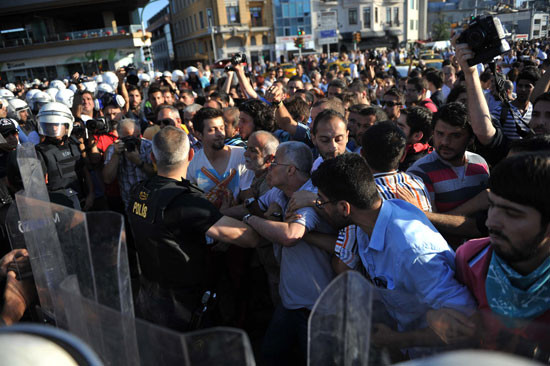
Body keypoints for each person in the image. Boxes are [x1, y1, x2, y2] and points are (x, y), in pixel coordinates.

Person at [311, 153, 475, 350]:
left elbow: (466, 320)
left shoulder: (412, 253)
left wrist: (397, 340)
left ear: (344, 207)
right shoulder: (368, 225)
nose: (320, 208)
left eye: (322, 202)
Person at [127, 126, 259, 331]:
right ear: (191, 154)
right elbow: (248, 237)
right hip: (182, 305)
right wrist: (249, 213)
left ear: (152, 157)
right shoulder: (185, 202)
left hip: (148, 297)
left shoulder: (139, 191)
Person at [427, 153, 550, 349]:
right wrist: (439, 318)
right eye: (492, 206)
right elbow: (463, 320)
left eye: (512, 214)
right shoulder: (471, 258)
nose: (491, 222)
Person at [407, 103, 489, 213]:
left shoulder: (480, 164)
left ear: (471, 138)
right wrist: (473, 205)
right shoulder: (419, 173)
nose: (445, 142)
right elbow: (429, 225)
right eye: (440, 134)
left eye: (455, 136)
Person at [187, 108, 253, 208]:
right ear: (198, 134)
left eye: (222, 128)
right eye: (212, 130)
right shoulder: (194, 164)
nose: (220, 134)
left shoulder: (241, 156)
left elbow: (249, 200)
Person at [33, 102, 94, 210]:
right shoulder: (40, 151)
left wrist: (90, 194)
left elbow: (85, 171)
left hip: (80, 200)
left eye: (57, 125)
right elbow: (38, 187)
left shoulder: (74, 145)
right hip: (56, 206)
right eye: (50, 125)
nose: (54, 129)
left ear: (67, 125)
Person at [103, 119, 155, 209]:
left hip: (152, 201)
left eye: (137, 137)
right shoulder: (114, 149)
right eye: (129, 138)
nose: (134, 141)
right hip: (130, 204)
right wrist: (116, 155)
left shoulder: (149, 146)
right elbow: (107, 179)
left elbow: (156, 175)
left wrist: (138, 162)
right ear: (119, 138)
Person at [396, 107, 433, 171]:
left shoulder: (416, 166)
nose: (394, 130)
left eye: (400, 128)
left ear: (417, 135)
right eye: (395, 125)